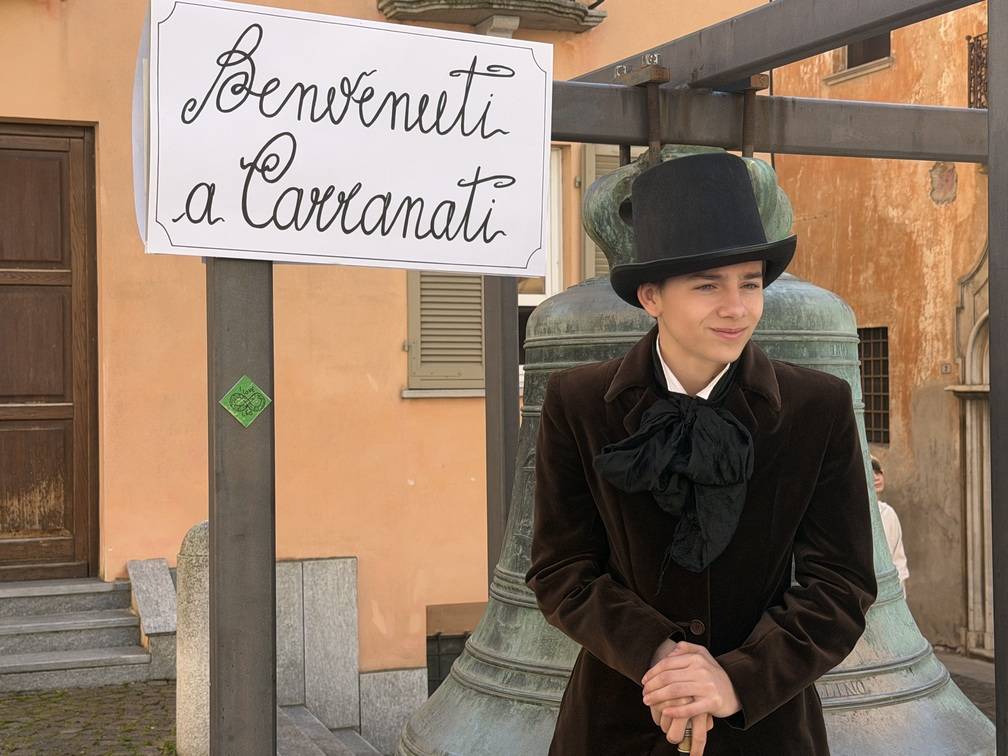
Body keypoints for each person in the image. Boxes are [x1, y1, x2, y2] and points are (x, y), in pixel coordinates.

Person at [524, 152, 877, 755]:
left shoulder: (818, 407)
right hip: (616, 727)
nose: (736, 307)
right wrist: (663, 660)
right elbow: (561, 568)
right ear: (651, 296)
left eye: (750, 283)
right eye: (708, 285)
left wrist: (735, 680)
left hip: (765, 731)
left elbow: (840, 584)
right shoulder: (577, 402)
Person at [871, 455, 909, 588]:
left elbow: (898, 559)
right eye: (870, 473)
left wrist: (899, 591)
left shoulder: (888, 513)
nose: (876, 477)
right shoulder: (854, 515)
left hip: (890, 589)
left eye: (878, 472)